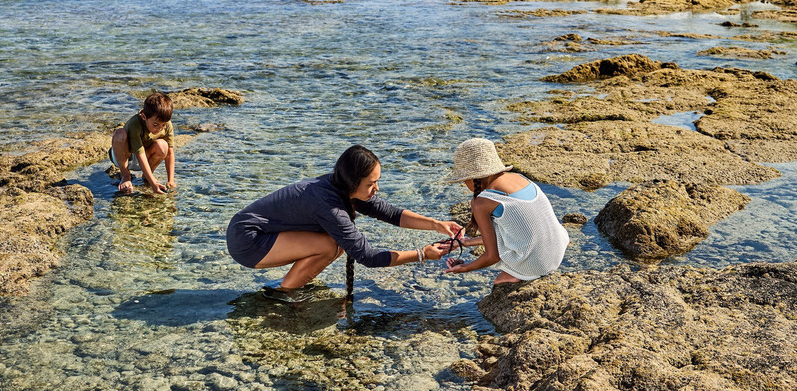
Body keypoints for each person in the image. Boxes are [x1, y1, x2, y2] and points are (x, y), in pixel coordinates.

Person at [226, 144, 462, 301]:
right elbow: (368, 257)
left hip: (253, 232)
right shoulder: (329, 205)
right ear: (352, 182)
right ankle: (282, 295)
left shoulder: (342, 187)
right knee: (331, 246)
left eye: (377, 181)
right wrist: (422, 254)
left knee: (335, 245)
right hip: (248, 241)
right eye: (371, 184)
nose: (376, 189)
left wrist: (436, 224)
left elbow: (390, 213)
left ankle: (290, 288)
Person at [442, 137, 568, 285]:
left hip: (538, 264)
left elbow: (492, 257)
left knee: (499, 282)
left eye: (463, 180)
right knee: (505, 224)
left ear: (472, 178)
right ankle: (524, 267)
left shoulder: (482, 202)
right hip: (557, 251)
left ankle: (521, 272)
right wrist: (466, 243)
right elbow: (511, 232)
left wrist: (465, 267)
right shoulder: (519, 177)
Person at [109, 92, 175, 195]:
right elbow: (140, 155)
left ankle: (147, 177)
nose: (160, 128)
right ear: (144, 116)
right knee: (119, 133)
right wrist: (154, 184)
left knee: (163, 145)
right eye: (156, 124)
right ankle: (125, 176)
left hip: (145, 156)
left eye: (163, 125)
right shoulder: (136, 124)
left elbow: (170, 154)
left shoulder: (166, 125)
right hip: (125, 157)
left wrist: (171, 180)